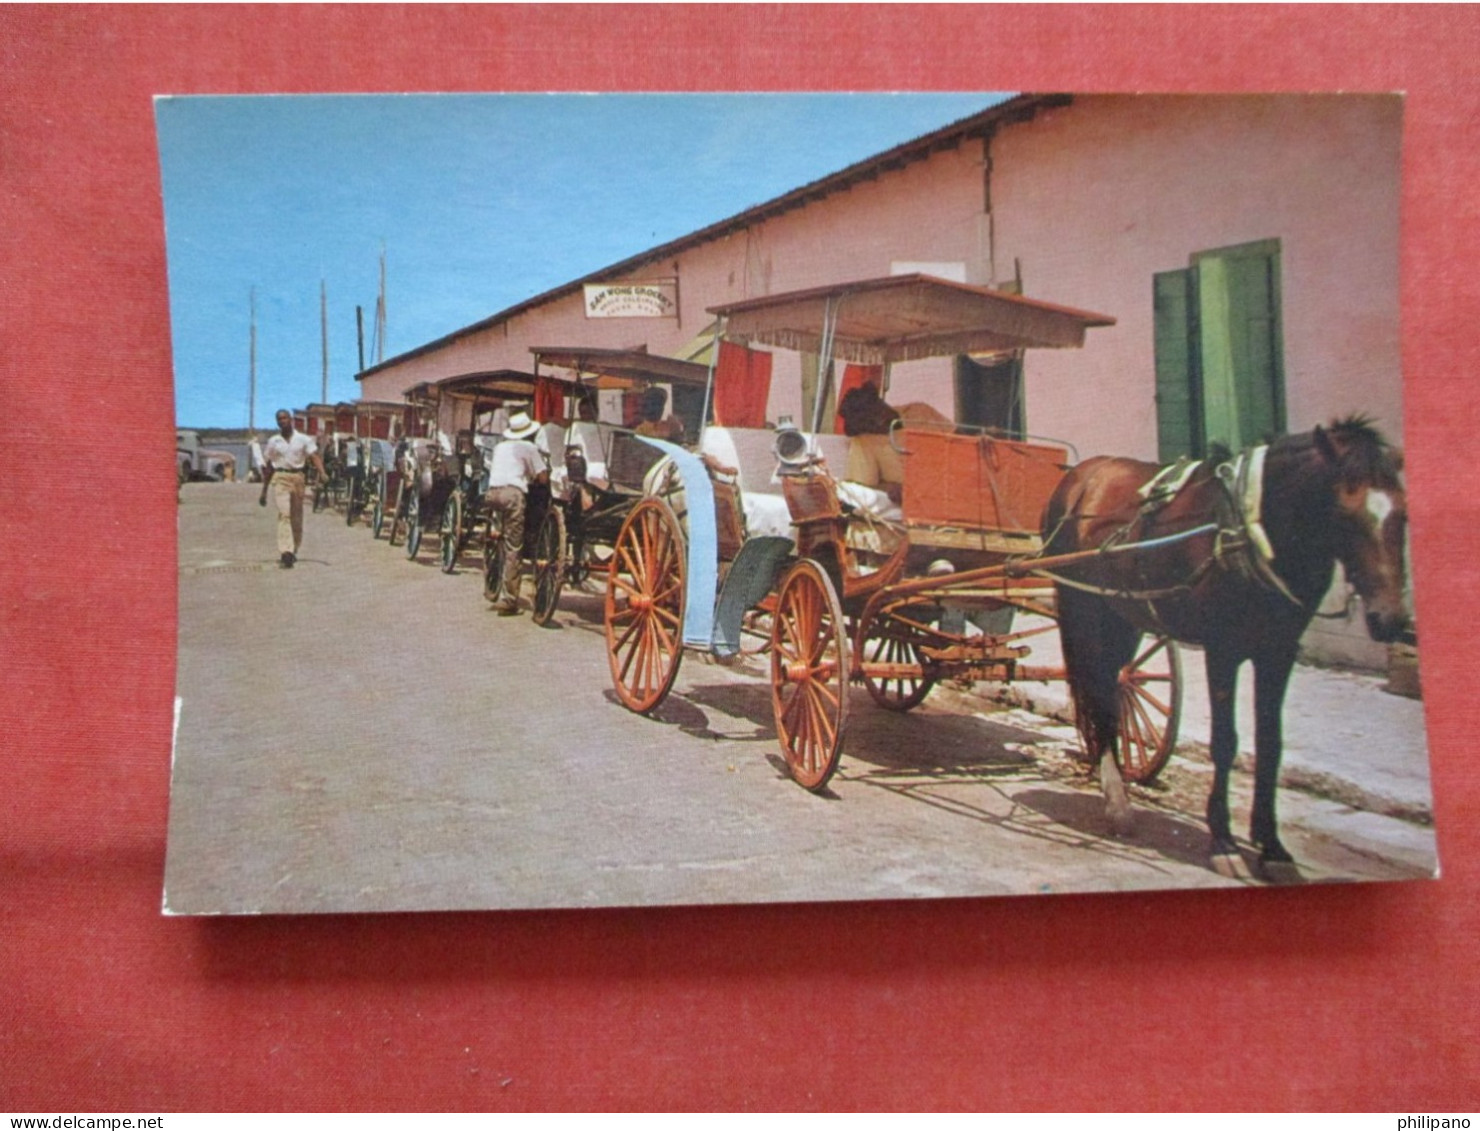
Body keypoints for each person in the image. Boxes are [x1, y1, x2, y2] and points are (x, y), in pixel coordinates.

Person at [483, 409, 549, 615]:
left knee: (500, 539)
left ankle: (494, 581)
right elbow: (543, 478)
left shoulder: (500, 447)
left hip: (493, 494)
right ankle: (509, 599)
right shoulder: (528, 447)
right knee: (514, 546)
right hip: (512, 496)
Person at [837, 383, 905, 502]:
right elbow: (860, 488)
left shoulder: (920, 413)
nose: (881, 419)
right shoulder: (865, 441)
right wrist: (889, 488)